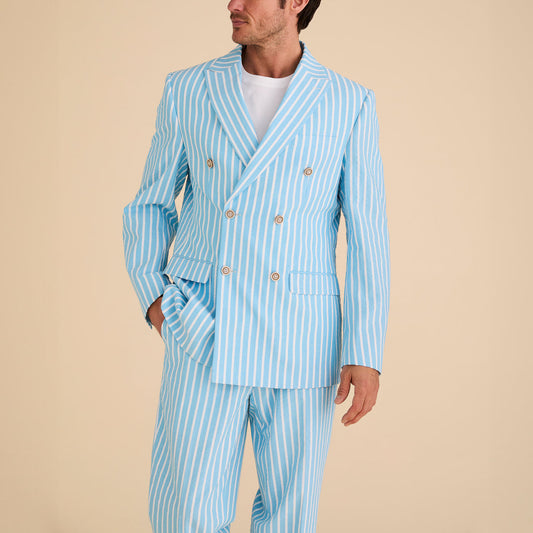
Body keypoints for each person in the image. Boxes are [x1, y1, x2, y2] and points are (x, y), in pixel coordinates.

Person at [122, 0, 390, 531]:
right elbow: (150, 203)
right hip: (202, 322)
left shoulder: (348, 101)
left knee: (289, 514)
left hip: (302, 335)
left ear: (297, 3)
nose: (233, 4)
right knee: (187, 510)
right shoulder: (189, 89)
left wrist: (364, 351)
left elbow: (367, 234)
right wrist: (158, 301)